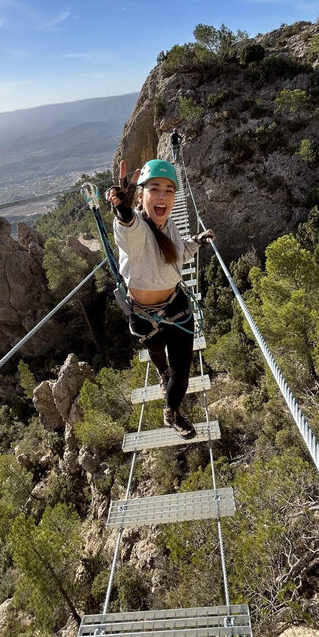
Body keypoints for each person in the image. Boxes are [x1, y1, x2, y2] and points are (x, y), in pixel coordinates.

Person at [106, 158, 214, 439]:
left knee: (182, 373)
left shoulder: (171, 226)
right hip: (144, 313)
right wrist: (124, 212)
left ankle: (172, 412)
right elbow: (128, 229)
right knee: (157, 354)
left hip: (176, 306)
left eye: (169, 190)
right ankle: (161, 372)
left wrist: (196, 243)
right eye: (154, 189)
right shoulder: (136, 229)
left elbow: (176, 257)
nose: (163, 196)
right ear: (141, 195)